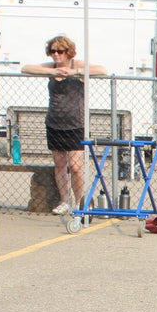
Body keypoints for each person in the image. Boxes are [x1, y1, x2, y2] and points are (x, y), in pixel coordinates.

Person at [21, 37, 107, 215]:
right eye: (53, 51)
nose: (56, 55)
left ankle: (80, 202)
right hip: (54, 122)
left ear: (68, 52)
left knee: (75, 166)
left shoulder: (77, 64)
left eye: (60, 51)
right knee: (60, 164)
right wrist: (52, 72)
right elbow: (26, 68)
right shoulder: (52, 67)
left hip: (76, 123)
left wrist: (76, 71)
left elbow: (103, 70)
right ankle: (64, 201)